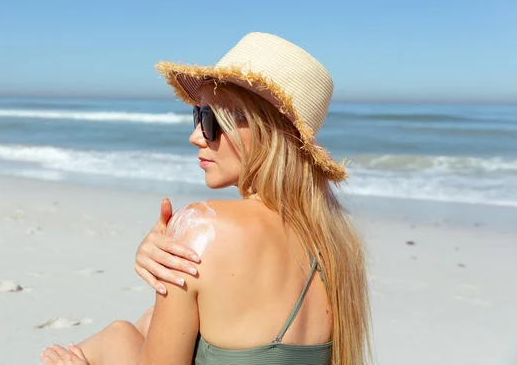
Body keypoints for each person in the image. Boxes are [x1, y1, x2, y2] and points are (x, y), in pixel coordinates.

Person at [40, 32, 371, 365]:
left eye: (210, 121)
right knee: (125, 330)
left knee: (103, 343)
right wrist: (162, 270)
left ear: (261, 129)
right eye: (197, 117)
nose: (195, 136)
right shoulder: (336, 245)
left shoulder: (202, 227)